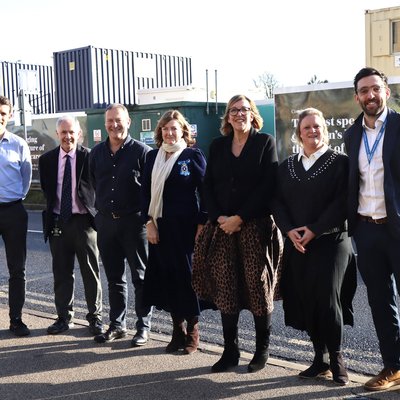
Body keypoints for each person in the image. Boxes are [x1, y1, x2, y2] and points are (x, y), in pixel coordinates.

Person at [192, 94, 282, 373]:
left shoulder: (264, 142)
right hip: (222, 227)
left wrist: (240, 217)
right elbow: (207, 185)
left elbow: (268, 185)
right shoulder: (218, 146)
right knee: (226, 287)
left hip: (254, 226)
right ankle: (230, 351)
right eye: (234, 110)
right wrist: (218, 216)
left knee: (258, 288)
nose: (239, 114)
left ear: (252, 114)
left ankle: (261, 351)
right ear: (227, 117)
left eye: (244, 109)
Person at [273, 108, 356, 386]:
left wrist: (314, 229)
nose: (312, 131)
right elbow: (277, 202)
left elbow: (343, 201)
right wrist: (290, 231)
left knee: (328, 300)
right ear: (299, 133)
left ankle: (337, 359)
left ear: (325, 129)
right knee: (306, 299)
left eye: (317, 126)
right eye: (307, 127)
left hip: (331, 241)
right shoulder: (287, 166)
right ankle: (319, 359)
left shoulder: (340, 162)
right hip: (298, 244)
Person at [344, 67, 400, 392]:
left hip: (398, 229)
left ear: (386, 92)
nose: (370, 95)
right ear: (357, 97)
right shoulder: (352, 135)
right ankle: (393, 366)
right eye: (364, 90)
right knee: (380, 303)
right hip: (367, 230)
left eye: (375, 89)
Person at [141, 110, 207, 354]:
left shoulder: (192, 156)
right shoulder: (152, 158)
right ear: (160, 132)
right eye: (165, 129)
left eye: (174, 129)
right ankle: (176, 331)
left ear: (183, 132)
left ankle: (193, 331)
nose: (169, 133)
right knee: (167, 279)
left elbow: (206, 191)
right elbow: (145, 193)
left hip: (186, 230)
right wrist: (148, 222)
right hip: (159, 228)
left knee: (187, 280)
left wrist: (202, 223)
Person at [90, 103, 152, 346]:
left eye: (119, 120)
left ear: (128, 122)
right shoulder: (96, 153)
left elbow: (150, 190)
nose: (114, 125)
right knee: (114, 277)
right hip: (106, 223)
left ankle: (143, 327)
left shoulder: (143, 152)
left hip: (134, 223)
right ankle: (117, 325)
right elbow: (94, 182)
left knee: (140, 277)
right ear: (105, 124)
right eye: (110, 121)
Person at [39, 115, 103, 335]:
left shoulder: (89, 157)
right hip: (58, 221)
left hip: (84, 222)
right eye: (63, 132)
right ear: (58, 134)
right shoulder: (47, 160)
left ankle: (95, 317)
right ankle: (63, 318)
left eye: (71, 132)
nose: (68, 136)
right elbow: (48, 191)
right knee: (62, 273)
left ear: (79, 134)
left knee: (90, 272)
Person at [0, 95, 32, 337]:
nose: (0, 117)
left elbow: (26, 178)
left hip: (13, 211)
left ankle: (16, 320)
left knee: (17, 270)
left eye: (3, 113)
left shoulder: (19, 144)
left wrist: (13, 198)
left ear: (9, 116)